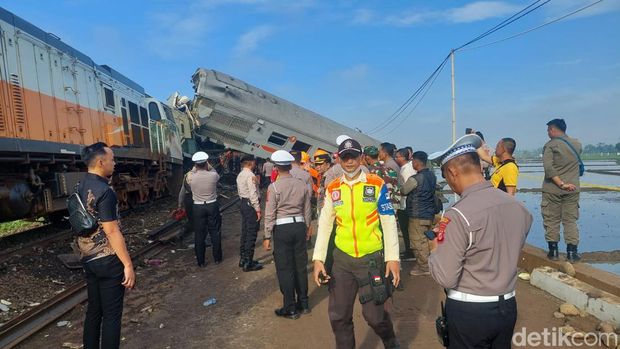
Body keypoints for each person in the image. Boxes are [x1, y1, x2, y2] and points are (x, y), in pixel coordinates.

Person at [427, 134, 532, 349]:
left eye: (446, 176)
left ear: (452, 172)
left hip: (470, 311)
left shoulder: (457, 214)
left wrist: (435, 248)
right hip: (507, 306)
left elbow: (446, 277)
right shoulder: (518, 208)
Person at [312, 138, 401, 349]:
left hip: (371, 258)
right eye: (345, 157)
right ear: (339, 159)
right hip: (342, 260)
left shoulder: (376, 184)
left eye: (353, 156)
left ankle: (390, 342)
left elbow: (388, 221)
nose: (349, 161)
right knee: (339, 316)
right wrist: (318, 259)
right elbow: (324, 224)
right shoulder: (333, 188)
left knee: (375, 316)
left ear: (361, 157)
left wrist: (393, 259)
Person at [78, 142, 135, 349]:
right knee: (111, 316)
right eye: (112, 160)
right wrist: (127, 264)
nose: (114, 163)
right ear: (101, 162)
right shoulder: (105, 191)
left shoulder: (80, 186)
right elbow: (111, 231)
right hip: (109, 260)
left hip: (88, 258)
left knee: (94, 311)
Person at [263, 150, 312, 319]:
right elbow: (307, 208)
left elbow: (270, 213)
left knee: (285, 268)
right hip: (299, 226)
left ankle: (290, 308)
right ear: (290, 165)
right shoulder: (301, 184)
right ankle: (304, 303)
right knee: (300, 266)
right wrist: (307, 227)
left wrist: (267, 235)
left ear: (276, 167)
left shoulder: (274, 187)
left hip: (282, 229)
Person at [542, 118, 583, 262]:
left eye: (548, 130)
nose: (547, 133)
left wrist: (561, 184)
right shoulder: (577, 144)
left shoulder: (551, 146)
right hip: (573, 189)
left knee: (551, 220)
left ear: (553, 129)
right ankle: (572, 253)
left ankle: (553, 252)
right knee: (570, 221)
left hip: (553, 189)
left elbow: (548, 168)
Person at [400, 151, 438, 276]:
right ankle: (428, 263)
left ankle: (424, 267)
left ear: (416, 162)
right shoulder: (432, 175)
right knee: (427, 240)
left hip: (417, 214)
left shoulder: (415, 179)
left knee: (418, 242)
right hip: (429, 212)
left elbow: (404, 190)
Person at [189, 152, 222, 267]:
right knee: (215, 232)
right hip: (212, 205)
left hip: (198, 207)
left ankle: (201, 262)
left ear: (195, 164)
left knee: (199, 234)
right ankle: (217, 259)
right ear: (206, 163)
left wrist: (195, 168)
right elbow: (214, 171)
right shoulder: (213, 175)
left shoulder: (191, 176)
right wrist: (209, 165)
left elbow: (191, 173)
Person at [237, 154, 264, 271]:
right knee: (251, 233)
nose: (255, 164)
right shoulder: (250, 175)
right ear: (250, 163)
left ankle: (243, 259)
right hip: (250, 205)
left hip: (243, 203)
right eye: (254, 162)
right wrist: (257, 209)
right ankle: (249, 262)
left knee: (245, 231)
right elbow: (253, 193)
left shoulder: (240, 174)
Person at [394, 148, 416, 261]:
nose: (396, 158)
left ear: (403, 157)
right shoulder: (403, 168)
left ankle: (411, 252)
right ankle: (408, 250)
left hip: (406, 203)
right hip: (403, 203)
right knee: (405, 229)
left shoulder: (407, 170)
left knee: (407, 229)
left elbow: (407, 187)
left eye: (398, 156)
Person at [178, 165, 197, 235]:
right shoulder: (204, 174)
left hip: (188, 199)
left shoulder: (187, 175)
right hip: (198, 199)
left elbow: (182, 191)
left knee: (191, 218)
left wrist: (180, 204)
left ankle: (189, 229)